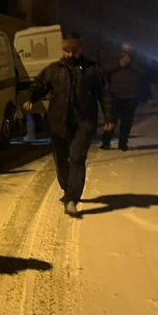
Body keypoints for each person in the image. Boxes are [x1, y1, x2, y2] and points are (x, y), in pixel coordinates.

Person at [25, 38, 113, 218]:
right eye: (66, 50)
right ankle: (67, 188)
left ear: (81, 50)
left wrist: (108, 117)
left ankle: (72, 198)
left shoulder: (92, 70)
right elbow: (40, 84)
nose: (70, 54)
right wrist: (31, 97)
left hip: (84, 122)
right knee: (61, 159)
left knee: (77, 157)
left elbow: (104, 93)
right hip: (58, 122)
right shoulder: (54, 69)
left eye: (74, 51)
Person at [101, 43, 145, 151]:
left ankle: (123, 143)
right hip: (115, 94)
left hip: (131, 95)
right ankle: (106, 142)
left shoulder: (138, 60)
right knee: (111, 120)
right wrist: (119, 64)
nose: (126, 52)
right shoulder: (114, 58)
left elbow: (144, 71)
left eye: (128, 50)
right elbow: (105, 69)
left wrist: (130, 64)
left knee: (127, 121)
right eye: (124, 50)